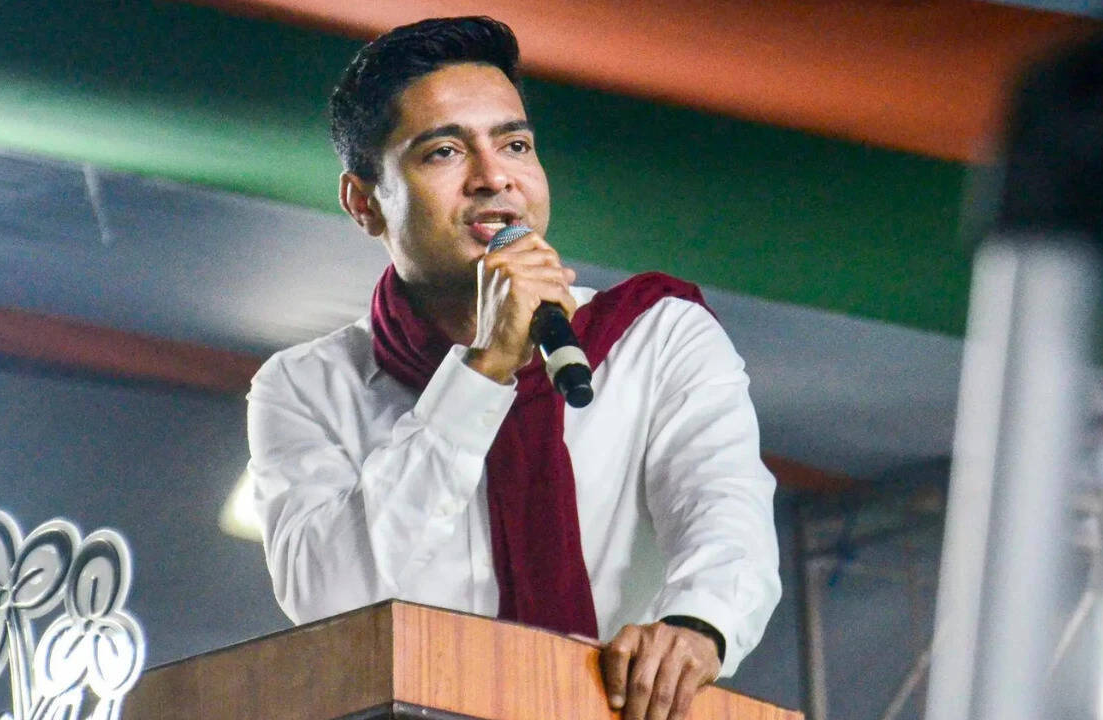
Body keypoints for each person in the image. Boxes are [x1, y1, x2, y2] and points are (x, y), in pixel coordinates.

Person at [247, 16, 781, 720]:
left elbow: (726, 513)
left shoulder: (657, 335)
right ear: (365, 203)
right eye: (444, 152)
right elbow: (330, 602)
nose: (494, 176)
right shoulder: (305, 387)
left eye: (515, 144)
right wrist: (486, 367)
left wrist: (697, 625)